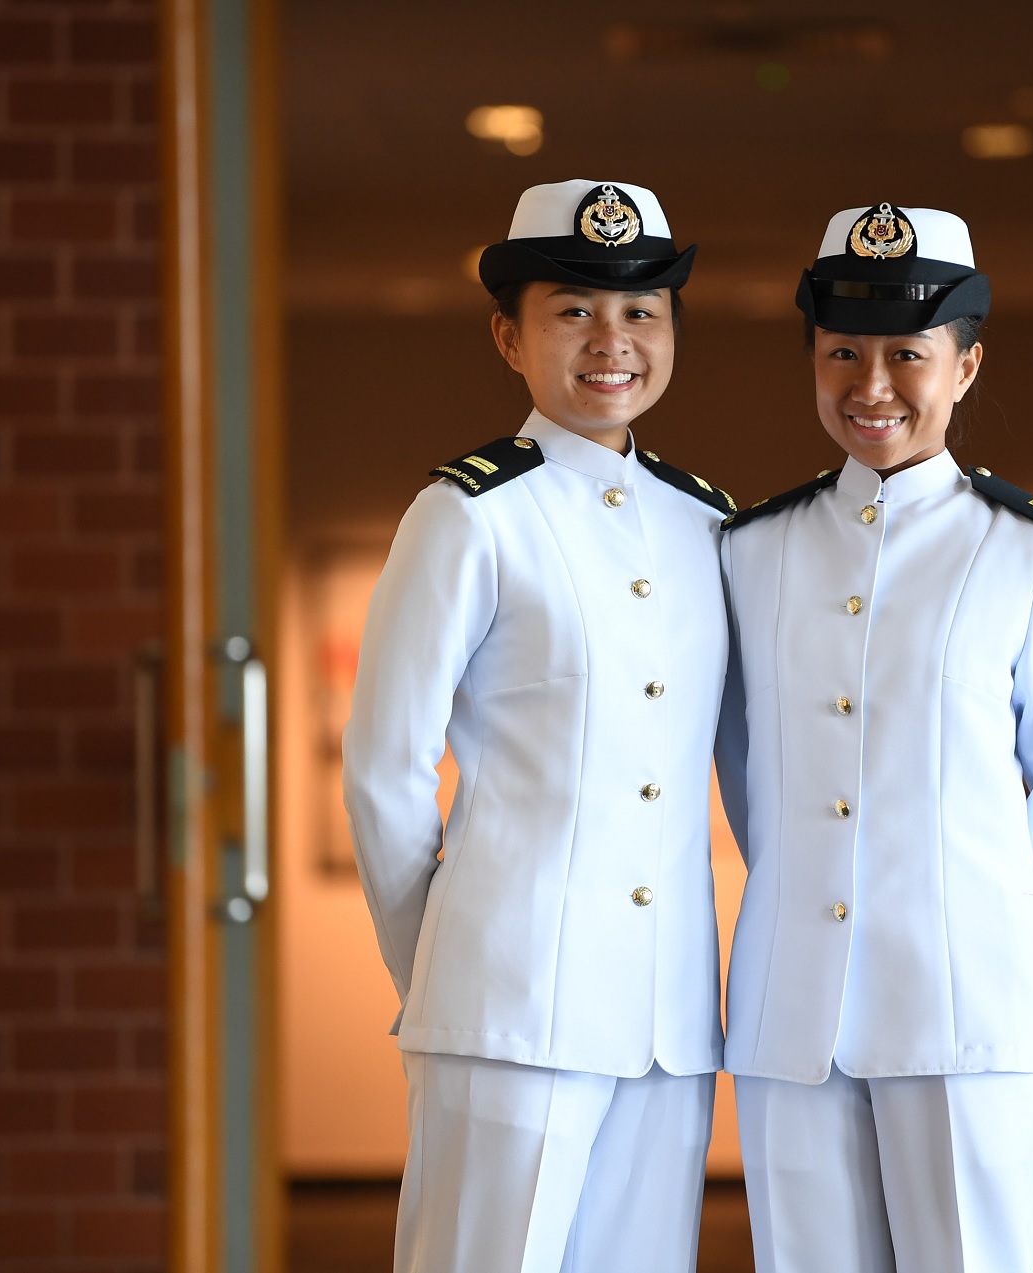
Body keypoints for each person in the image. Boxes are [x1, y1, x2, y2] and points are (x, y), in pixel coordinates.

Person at [341, 179, 735, 1273]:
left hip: (665, 1019)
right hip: (506, 1004)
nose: (613, 341)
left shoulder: (706, 521)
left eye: (642, 310)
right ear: (510, 337)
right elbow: (384, 768)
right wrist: (444, 971)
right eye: (574, 311)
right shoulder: (469, 513)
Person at [715, 202, 1033, 1273]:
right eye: (843, 352)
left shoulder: (1027, 552)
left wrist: (987, 950)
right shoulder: (755, 549)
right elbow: (747, 769)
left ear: (966, 366)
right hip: (795, 1010)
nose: (872, 385)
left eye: (907, 355)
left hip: (966, 1009)